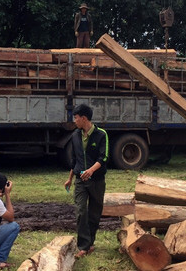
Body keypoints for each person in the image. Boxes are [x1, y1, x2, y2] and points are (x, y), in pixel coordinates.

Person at [64, 104, 109, 258]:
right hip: (80, 181)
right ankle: (83, 246)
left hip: (96, 180)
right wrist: (70, 178)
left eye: (76, 118)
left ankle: (90, 243)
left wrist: (91, 171)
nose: (74, 121)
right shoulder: (75, 135)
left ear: (84, 118)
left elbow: (103, 158)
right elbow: (74, 159)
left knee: (95, 213)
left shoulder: (101, 134)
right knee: (81, 210)